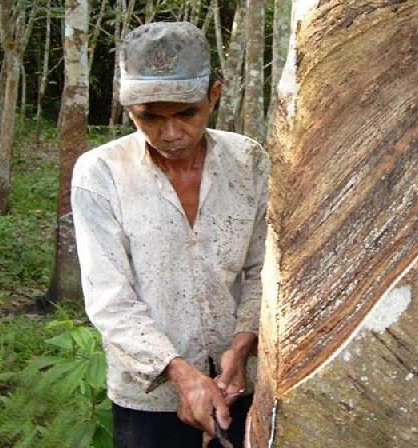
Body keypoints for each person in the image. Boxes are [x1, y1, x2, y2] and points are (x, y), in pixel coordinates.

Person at [71, 21, 269, 448]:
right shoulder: (100, 173)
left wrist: (241, 346)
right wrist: (179, 373)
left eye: (186, 113)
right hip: (148, 396)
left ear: (213, 95)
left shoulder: (248, 161)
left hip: (237, 385)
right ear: (130, 110)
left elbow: (262, 270)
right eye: (150, 118)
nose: (171, 133)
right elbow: (109, 297)